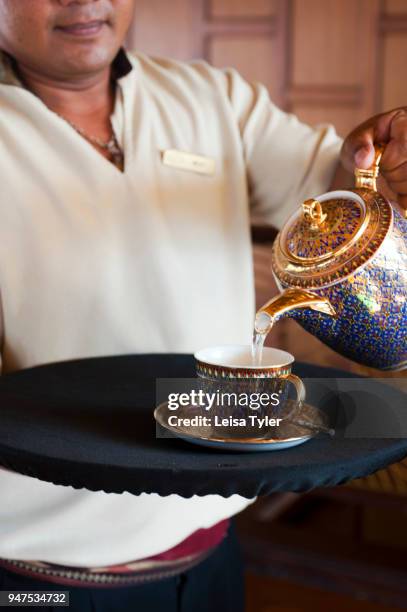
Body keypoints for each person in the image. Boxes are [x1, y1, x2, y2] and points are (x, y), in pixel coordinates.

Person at [0, 1, 406, 610]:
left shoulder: (210, 95)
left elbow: (336, 188)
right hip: (40, 576)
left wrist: (385, 163)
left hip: (210, 536)